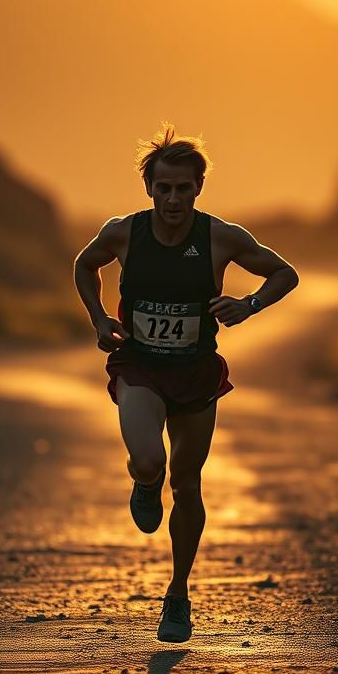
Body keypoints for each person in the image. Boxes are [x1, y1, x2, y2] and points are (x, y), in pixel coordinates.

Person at [73, 123, 299, 642]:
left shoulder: (220, 237)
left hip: (196, 373)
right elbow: (86, 266)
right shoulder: (123, 233)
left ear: (199, 188)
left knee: (189, 484)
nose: (173, 199)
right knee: (150, 460)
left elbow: (284, 272)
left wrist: (250, 305)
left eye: (184, 188)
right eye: (163, 188)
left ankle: (177, 595)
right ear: (148, 188)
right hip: (140, 367)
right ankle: (143, 482)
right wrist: (99, 319)